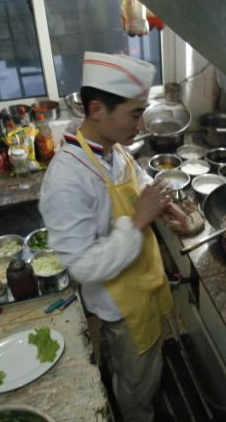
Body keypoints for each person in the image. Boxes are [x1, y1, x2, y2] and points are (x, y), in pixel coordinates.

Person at [39, 51, 185, 422]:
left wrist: (161, 201)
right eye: (135, 114)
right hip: (120, 308)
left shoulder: (111, 147)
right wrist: (137, 221)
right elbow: (83, 266)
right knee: (136, 386)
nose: (142, 124)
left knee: (143, 370)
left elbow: (134, 178)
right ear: (97, 109)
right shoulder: (66, 180)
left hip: (143, 284)